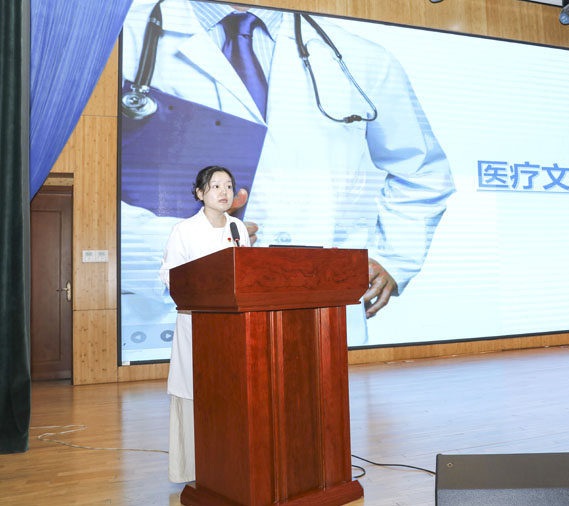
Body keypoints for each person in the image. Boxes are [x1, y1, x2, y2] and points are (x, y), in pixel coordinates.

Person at [120, 0, 455, 350]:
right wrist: (181, 245)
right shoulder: (122, 38)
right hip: (174, 313)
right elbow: (91, 191)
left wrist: (394, 258)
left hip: (319, 307)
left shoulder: (360, 57)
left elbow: (422, 170)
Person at [159, 166, 251, 483]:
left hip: (234, 327)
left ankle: (229, 465)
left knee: (232, 393)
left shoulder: (238, 228)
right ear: (200, 193)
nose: (224, 192)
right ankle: (196, 469)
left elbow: (246, 272)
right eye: (215, 186)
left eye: (229, 186)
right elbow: (170, 275)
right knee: (197, 392)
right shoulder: (184, 230)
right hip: (197, 324)